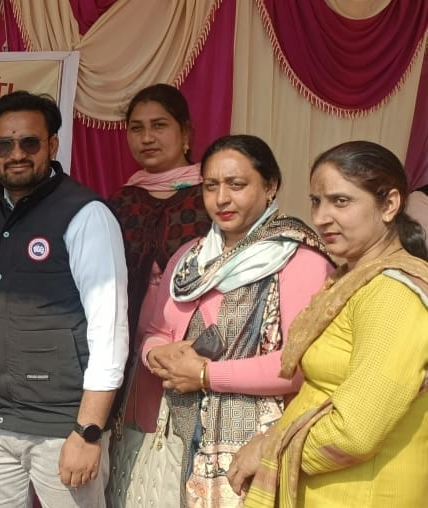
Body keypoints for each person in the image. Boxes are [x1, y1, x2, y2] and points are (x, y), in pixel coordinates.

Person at [140, 135, 332, 507]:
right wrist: (156, 355)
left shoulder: (300, 261)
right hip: (179, 439)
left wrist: (204, 375)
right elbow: (155, 332)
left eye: (237, 184)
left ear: (270, 186)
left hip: (255, 447)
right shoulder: (189, 260)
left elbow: (296, 366)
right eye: (211, 186)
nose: (222, 199)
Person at [239, 141, 428, 507]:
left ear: (390, 204)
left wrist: (269, 450)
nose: (322, 217)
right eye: (316, 201)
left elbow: (355, 432)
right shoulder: (352, 280)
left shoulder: (393, 293)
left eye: (341, 201)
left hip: (364, 494)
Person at [0, 90, 129, 507]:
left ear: (52, 145)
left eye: (29, 143)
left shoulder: (86, 215)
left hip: (63, 427)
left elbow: (109, 330)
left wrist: (88, 430)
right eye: (5, 145)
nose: (16, 154)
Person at [108, 83, 212, 430]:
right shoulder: (121, 201)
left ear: (186, 133)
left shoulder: (212, 194)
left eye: (159, 125)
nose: (147, 137)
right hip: (127, 340)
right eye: (136, 128)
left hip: (193, 343)